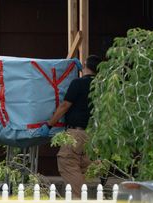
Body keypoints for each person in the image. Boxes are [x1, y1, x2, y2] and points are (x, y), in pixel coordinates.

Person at [36, 55, 101, 198]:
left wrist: (49, 124)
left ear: (84, 66)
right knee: (84, 165)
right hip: (93, 135)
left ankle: (78, 198)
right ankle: (83, 194)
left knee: (68, 163)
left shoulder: (77, 83)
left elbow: (65, 105)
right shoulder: (102, 85)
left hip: (76, 133)